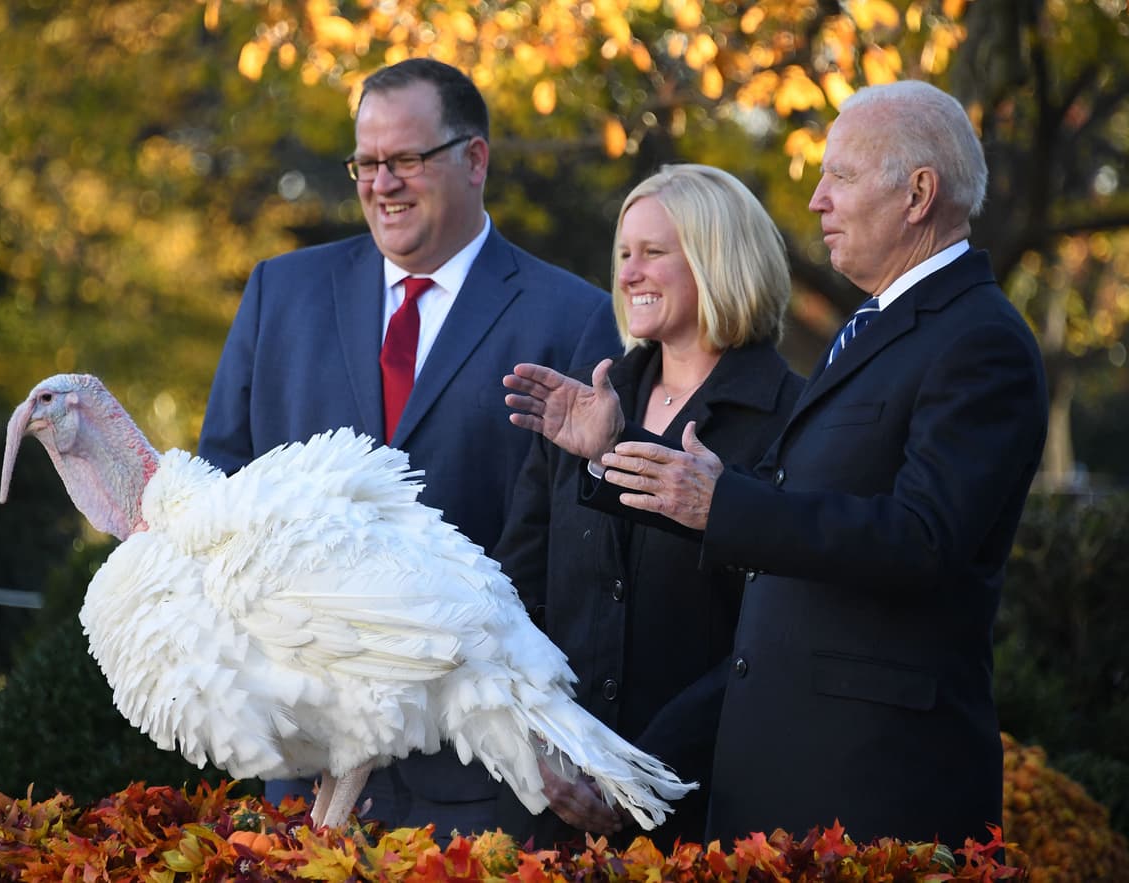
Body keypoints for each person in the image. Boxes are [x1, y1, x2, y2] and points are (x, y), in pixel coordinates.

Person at [508, 80, 1048, 847]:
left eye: (842, 177)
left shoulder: (978, 340)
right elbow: (791, 513)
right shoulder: (872, 329)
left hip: (874, 785)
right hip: (788, 778)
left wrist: (720, 504)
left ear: (919, 193)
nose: (819, 200)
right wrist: (616, 459)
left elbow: (924, 538)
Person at [197, 57, 622, 836]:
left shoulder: (572, 318)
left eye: (405, 160)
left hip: (481, 774)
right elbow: (220, 496)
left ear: (475, 159)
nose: (381, 183)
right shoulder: (279, 295)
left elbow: (585, 555)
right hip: (308, 772)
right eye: (366, 162)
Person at [494, 164, 804, 850]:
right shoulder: (582, 409)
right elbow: (512, 597)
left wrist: (638, 774)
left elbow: (775, 632)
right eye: (624, 254)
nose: (630, 272)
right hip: (558, 807)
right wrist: (541, 747)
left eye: (654, 252)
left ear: (718, 258)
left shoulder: (795, 419)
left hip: (709, 814)